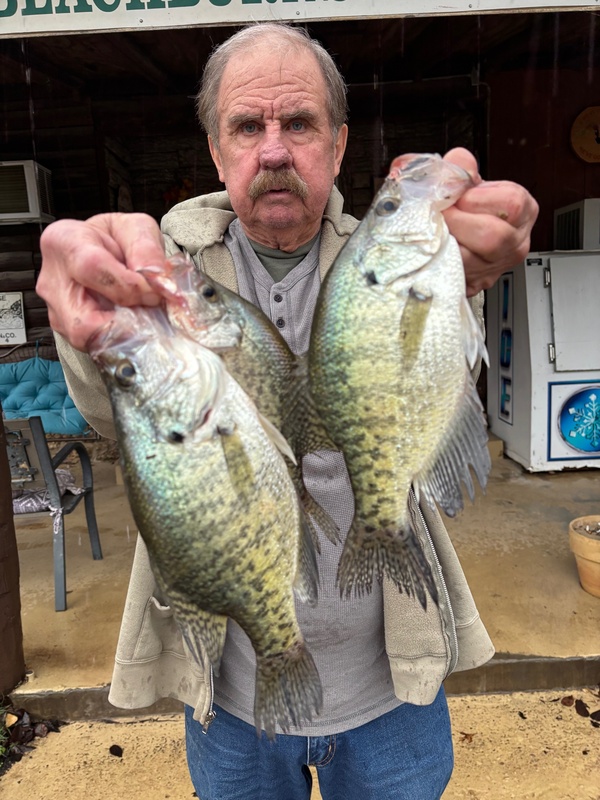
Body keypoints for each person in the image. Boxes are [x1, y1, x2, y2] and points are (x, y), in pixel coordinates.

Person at [36, 22, 538, 800]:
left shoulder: (396, 250)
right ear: (215, 150)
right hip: (229, 699)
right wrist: (91, 326)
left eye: (298, 124)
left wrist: (471, 260)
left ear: (338, 147)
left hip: (392, 688)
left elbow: (454, 314)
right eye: (247, 127)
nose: (274, 150)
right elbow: (116, 406)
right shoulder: (162, 273)